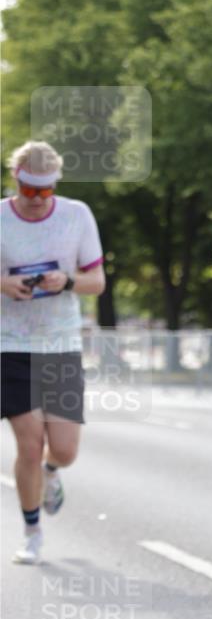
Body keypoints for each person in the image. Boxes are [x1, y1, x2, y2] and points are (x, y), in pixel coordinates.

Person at [1, 141, 105, 564]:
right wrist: (3, 284)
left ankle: (51, 471)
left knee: (63, 450)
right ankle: (32, 534)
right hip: (10, 345)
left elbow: (97, 281)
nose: (37, 198)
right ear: (16, 179)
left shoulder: (76, 215)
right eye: (29, 189)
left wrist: (66, 281)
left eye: (45, 190)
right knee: (29, 445)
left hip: (61, 345)